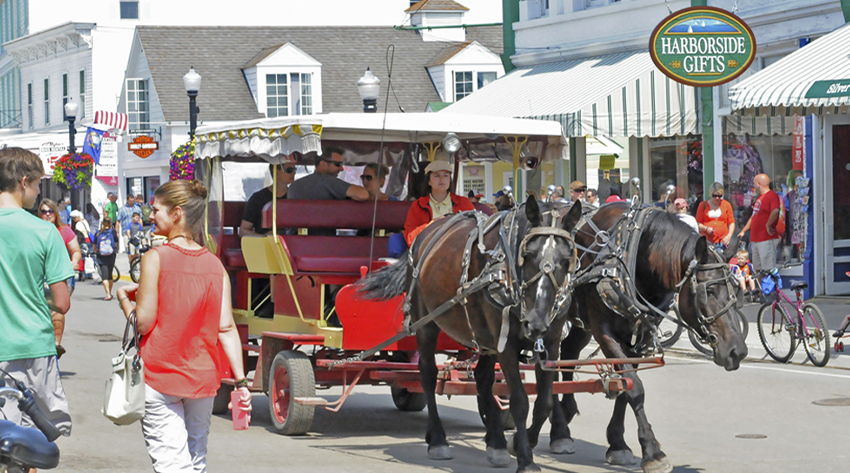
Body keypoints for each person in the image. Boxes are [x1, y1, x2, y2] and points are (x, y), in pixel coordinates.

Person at [115, 179, 251, 472]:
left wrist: (125, 302)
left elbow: (144, 322)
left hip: (160, 374)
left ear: (176, 213)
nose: (151, 216)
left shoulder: (155, 258)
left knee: (171, 462)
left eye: (156, 210)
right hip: (202, 380)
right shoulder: (215, 265)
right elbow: (226, 328)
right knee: (196, 459)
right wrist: (241, 382)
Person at [0, 146, 74, 437]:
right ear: (23, 182)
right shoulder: (45, 232)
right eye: (38, 183)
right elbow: (62, 302)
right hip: (33, 344)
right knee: (33, 437)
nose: (38, 191)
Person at [39, 198, 81, 358]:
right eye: (43, 211)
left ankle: (56, 344)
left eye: (50, 211)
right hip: (41, 275)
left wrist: (74, 262)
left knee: (56, 307)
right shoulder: (36, 229)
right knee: (43, 310)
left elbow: (75, 250)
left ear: (55, 213)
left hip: (61, 275)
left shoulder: (64, 230)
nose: (47, 214)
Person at [403, 160, 475, 245]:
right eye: (437, 176)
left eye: (446, 175)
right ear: (429, 181)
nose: (442, 179)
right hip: (428, 254)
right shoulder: (417, 205)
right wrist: (431, 226)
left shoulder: (464, 202)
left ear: (449, 180)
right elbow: (410, 238)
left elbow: (475, 230)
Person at [288, 147, 369, 202]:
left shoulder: (294, 186)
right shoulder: (328, 181)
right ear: (323, 164)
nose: (342, 169)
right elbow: (363, 194)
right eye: (338, 164)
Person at [738, 174, 781, 272]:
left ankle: (768, 288)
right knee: (757, 270)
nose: (753, 186)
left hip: (766, 239)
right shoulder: (759, 198)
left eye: (754, 183)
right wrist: (744, 230)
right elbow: (754, 216)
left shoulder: (772, 195)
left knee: (767, 269)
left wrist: (768, 224)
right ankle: (761, 287)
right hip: (756, 239)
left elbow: (775, 210)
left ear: (758, 184)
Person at [240, 164, 296, 237]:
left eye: (295, 169)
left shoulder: (296, 197)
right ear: (276, 171)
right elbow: (243, 231)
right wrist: (264, 238)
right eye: (289, 170)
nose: (294, 173)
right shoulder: (258, 198)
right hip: (264, 246)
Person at [696, 182, 735, 252]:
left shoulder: (726, 205)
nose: (717, 198)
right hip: (707, 241)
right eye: (714, 195)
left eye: (719, 196)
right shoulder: (703, 205)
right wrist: (706, 228)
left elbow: (731, 222)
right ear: (711, 194)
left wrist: (729, 236)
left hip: (722, 240)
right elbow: (698, 223)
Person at [94, 218, 119, 300]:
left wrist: (97, 252)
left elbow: (94, 245)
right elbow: (116, 242)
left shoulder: (98, 233)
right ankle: (110, 292)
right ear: (110, 223)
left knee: (104, 276)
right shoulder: (113, 232)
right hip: (111, 255)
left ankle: (108, 293)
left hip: (101, 256)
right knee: (109, 275)